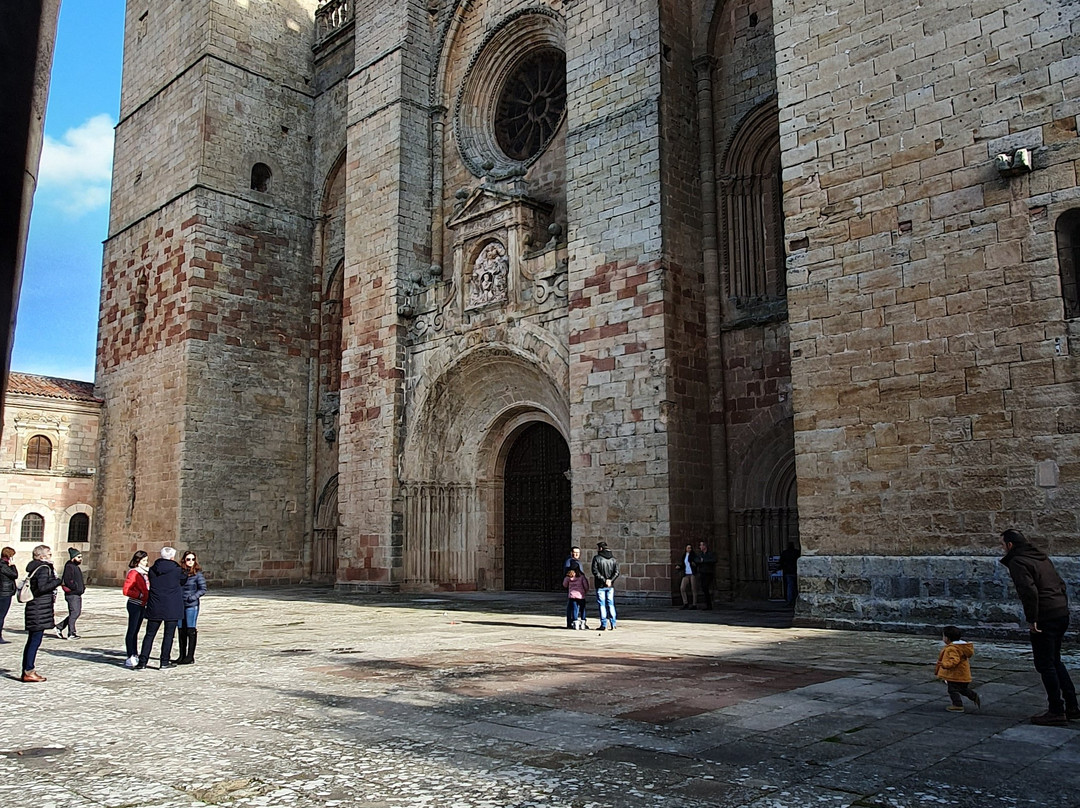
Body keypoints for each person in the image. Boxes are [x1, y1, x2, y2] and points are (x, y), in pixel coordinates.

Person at [1000, 529, 1079, 726]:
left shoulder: (1018, 561)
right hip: (1060, 612)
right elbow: (1060, 584)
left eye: (1002, 544)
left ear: (1010, 545)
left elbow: (1028, 591)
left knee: (1045, 664)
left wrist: (1032, 618)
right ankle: (1072, 705)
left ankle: (1056, 710)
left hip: (1045, 615)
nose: (1002, 548)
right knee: (1055, 660)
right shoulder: (1041, 558)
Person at [136, 547, 184, 670]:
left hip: (155, 605)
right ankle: (164, 661)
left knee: (149, 634)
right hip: (172, 606)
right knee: (168, 635)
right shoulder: (177, 570)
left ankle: (142, 662)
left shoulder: (153, 569)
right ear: (172, 557)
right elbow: (184, 580)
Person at [21, 544, 63, 682]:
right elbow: (42, 588)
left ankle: (28, 670)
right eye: (49, 554)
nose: (51, 556)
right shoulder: (44, 568)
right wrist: (57, 582)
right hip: (39, 609)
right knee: (34, 641)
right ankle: (28, 671)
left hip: (37, 608)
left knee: (33, 640)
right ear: (42, 556)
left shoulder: (36, 567)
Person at [935, 625, 980, 713]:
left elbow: (954, 660)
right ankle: (973, 696)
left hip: (955, 674)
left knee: (952, 690)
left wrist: (945, 664)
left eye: (943, 636)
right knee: (962, 689)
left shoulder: (952, 648)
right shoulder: (961, 647)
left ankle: (957, 705)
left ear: (947, 638)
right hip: (963, 674)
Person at [177, 550, 207, 664]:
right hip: (180, 604)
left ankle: (190, 656)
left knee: (191, 629)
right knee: (181, 630)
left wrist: (193, 597)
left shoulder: (197, 574)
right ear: (184, 560)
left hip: (191, 605)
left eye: (193, 559)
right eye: (188, 559)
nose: (190, 561)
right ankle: (181, 655)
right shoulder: (180, 573)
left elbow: (203, 589)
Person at [122, 550, 150, 668]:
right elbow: (126, 590)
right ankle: (131, 653)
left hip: (142, 604)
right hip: (135, 603)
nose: (146, 562)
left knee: (137, 629)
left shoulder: (145, 573)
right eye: (144, 560)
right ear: (138, 561)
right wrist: (140, 595)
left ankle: (135, 652)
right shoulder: (134, 572)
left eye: (146, 560)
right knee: (132, 630)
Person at [54, 548, 86, 639]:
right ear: (73, 558)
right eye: (78, 557)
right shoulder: (69, 566)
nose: (80, 559)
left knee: (75, 612)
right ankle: (71, 633)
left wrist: (82, 588)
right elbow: (68, 580)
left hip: (77, 593)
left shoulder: (75, 567)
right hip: (72, 594)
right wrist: (75, 587)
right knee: (75, 612)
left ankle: (59, 627)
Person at [591, 541, 619, 631]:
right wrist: (610, 580)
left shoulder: (597, 558)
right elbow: (616, 572)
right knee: (611, 604)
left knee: (602, 605)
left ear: (600, 548)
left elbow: (595, 571)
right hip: (610, 586)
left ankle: (604, 624)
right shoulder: (613, 560)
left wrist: (604, 580)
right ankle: (613, 623)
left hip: (600, 585)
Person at [563, 546, 589, 628]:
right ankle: (572, 622)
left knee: (575, 607)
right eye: (575, 552)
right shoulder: (569, 561)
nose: (577, 554)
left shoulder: (577, 561)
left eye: (578, 552)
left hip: (574, 591)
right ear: (571, 553)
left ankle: (573, 622)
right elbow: (566, 573)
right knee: (573, 607)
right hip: (576, 591)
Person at [0, 546, 17, 643]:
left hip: (4, 592)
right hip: (4, 592)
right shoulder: (4, 566)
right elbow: (14, 575)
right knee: (1, 615)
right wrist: (13, 565)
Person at [694, 540, 717, 610]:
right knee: (704, 588)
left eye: (701, 545)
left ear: (705, 546)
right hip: (702, 573)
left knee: (705, 586)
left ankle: (709, 604)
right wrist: (701, 561)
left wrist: (703, 560)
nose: (700, 547)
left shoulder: (710, 554)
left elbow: (713, 560)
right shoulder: (700, 554)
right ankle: (708, 604)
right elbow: (696, 560)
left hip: (708, 573)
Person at [779, 542, 801, 606]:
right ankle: (797, 600)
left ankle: (790, 600)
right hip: (796, 571)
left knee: (790, 586)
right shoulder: (797, 552)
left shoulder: (785, 553)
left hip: (788, 571)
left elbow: (781, 562)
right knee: (796, 586)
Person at [677, 543, 697, 609]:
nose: (689, 549)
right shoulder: (684, 555)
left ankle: (694, 604)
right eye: (688, 548)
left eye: (690, 548)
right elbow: (683, 564)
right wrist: (679, 567)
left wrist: (694, 564)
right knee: (682, 588)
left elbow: (696, 562)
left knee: (693, 589)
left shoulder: (693, 555)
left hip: (692, 573)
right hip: (686, 573)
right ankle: (685, 603)